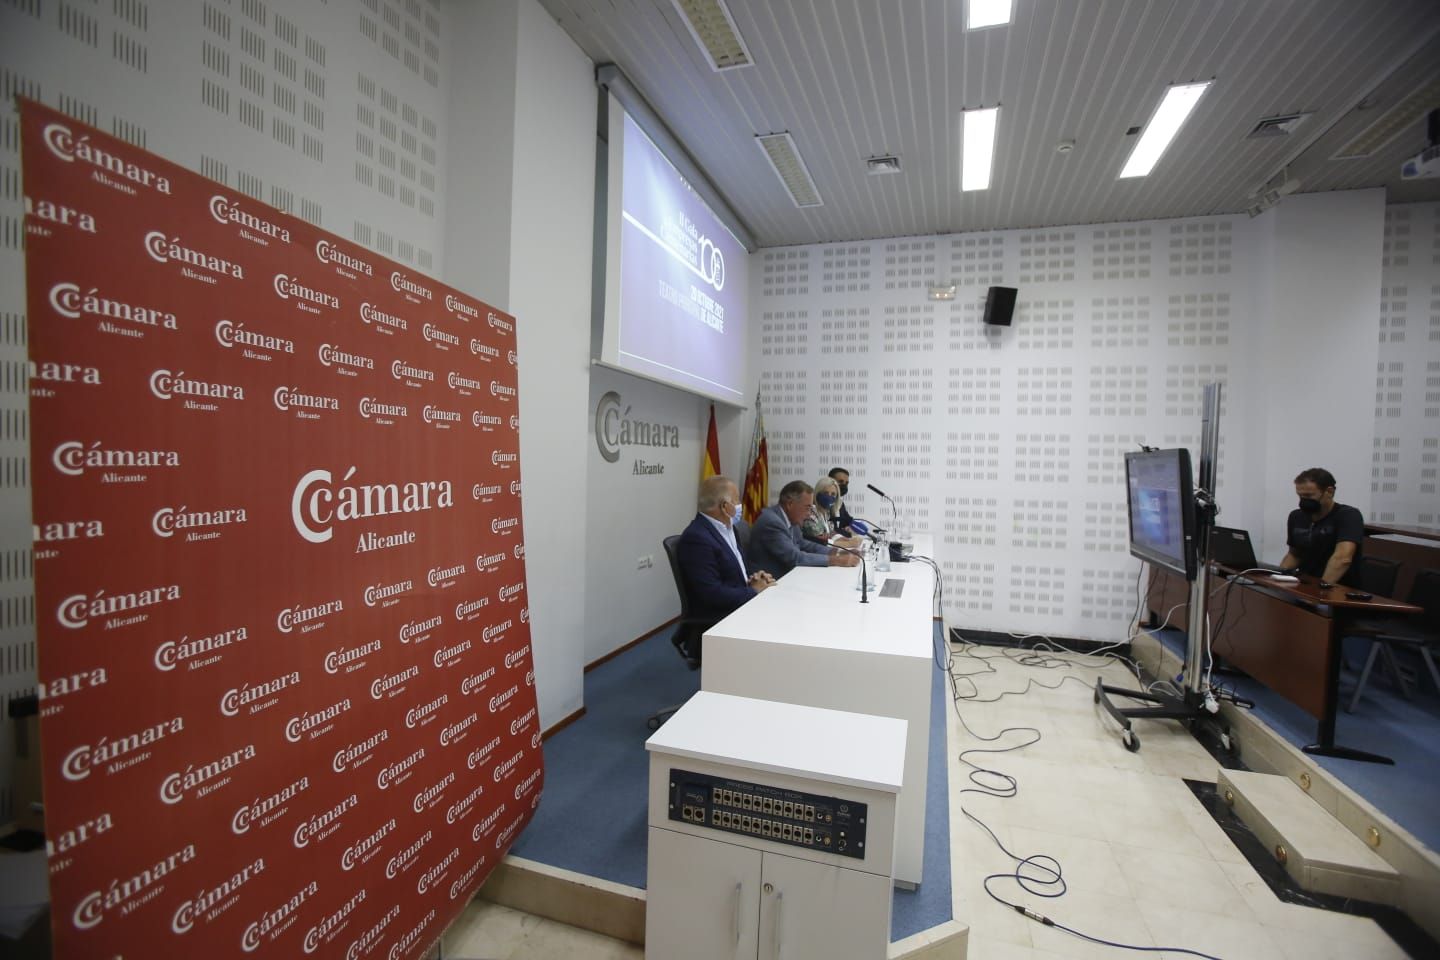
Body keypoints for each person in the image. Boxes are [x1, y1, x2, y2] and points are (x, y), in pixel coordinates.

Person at [676, 476, 775, 623]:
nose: (740, 505)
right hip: (720, 619)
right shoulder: (697, 538)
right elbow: (711, 594)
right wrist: (753, 591)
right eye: (736, 501)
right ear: (725, 506)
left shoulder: (729, 529)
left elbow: (733, 574)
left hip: (740, 605)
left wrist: (755, 580)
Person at [747, 480, 860, 579]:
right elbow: (795, 557)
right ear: (790, 504)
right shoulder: (772, 522)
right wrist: (837, 560)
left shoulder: (790, 518)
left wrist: (837, 552)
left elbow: (804, 544)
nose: (809, 513)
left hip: (789, 576)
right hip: (771, 584)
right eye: (807, 507)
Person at [1279, 467, 1365, 588]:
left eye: (1309, 495)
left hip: (1337, 590)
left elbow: (1343, 558)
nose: (1303, 501)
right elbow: (1294, 555)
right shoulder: (1296, 516)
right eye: (1300, 496)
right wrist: (1278, 578)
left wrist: (1320, 589)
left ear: (1329, 492)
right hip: (1304, 586)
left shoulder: (1348, 516)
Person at [827, 467, 858, 535]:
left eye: (846, 483)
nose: (844, 485)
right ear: (830, 481)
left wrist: (850, 527)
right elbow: (828, 529)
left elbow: (848, 521)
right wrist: (845, 533)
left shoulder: (840, 503)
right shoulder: (823, 502)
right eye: (840, 481)